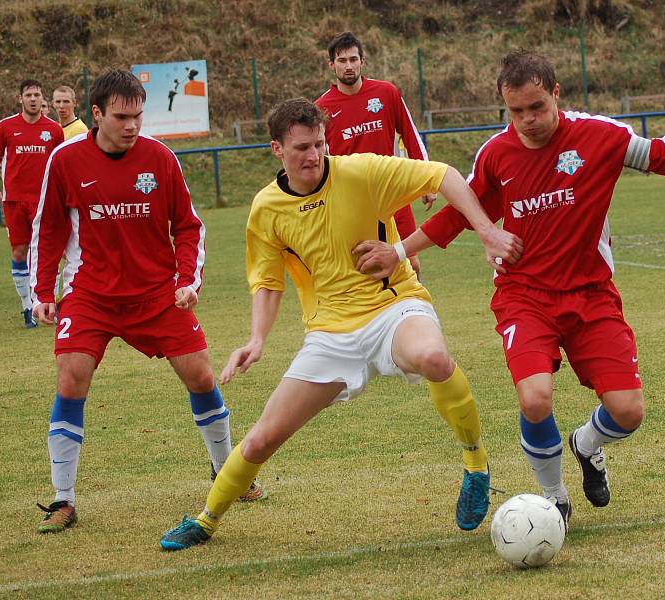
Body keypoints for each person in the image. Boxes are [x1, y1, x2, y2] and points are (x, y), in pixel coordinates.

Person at [353, 50, 665, 531]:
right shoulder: (498, 153)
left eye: (536, 107)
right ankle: (553, 498)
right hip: (524, 295)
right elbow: (459, 213)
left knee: (628, 412)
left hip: (591, 294)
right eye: (515, 111)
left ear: (556, 93)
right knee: (535, 399)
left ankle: (586, 445)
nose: (527, 120)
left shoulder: (600, 135)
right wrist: (397, 252)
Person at [158, 98, 522, 551]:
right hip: (330, 333)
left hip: (395, 306)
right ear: (277, 149)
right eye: (302, 148)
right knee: (261, 440)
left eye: (319, 144)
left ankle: (476, 464)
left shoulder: (361, 171)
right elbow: (268, 282)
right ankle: (206, 519)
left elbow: (443, 175)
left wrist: (486, 229)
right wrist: (256, 339)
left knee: (432, 356)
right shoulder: (266, 209)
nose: (313, 155)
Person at [29, 69, 264, 535]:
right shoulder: (66, 159)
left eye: (138, 115)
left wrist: (187, 281)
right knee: (71, 381)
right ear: (96, 115)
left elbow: (189, 226)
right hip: (90, 294)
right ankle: (63, 499)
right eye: (121, 117)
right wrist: (42, 292)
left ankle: (228, 474)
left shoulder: (160, 158)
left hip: (157, 295)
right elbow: (49, 227)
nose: (132, 125)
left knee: (200, 375)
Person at [315, 31, 435, 278]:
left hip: (393, 192)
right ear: (331, 65)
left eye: (353, 59)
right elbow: (317, 159)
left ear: (362, 61)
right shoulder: (321, 109)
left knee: (411, 263)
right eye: (342, 61)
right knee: (362, 267)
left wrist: (427, 181)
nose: (348, 66)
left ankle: (415, 312)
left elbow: (410, 135)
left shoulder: (386, 93)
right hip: (352, 200)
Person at [0, 79, 64, 328]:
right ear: (20, 99)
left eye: (37, 94)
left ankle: (46, 304)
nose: (34, 98)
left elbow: (60, 165)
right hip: (15, 200)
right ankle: (27, 306)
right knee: (20, 251)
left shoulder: (54, 130)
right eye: (29, 95)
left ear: (42, 98)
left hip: (45, 200)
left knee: (48, 251)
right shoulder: (5, 127)